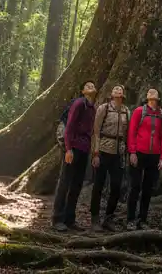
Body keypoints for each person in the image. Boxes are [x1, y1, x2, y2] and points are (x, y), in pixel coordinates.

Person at [53, 80, 98, 231]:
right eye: (87, 86)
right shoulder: (79, 103)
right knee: (65, 182)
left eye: (93, 86)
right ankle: (57, 219)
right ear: (83, 91)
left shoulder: (92, 108)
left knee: (77, 184)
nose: (91, 87)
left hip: (84, 149)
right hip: (72, 148)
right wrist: (68, 149)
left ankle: (70, 219)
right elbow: (69, 126)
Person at [126, 87, 162, 230]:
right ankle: (130, 219)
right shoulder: (139, 111)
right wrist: (132, 152)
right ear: (146, 97)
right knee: (135, 186)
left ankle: (142, 219)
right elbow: (132, 131)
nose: (151, 93)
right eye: (149, 92)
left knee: (148, 189)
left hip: (154, 156)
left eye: (154, 92)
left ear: (158, 97)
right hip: (139, 153)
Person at [90, 84, 130, 231]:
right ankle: (94, 218)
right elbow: (96, 131)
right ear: (111, 94)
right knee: (98, 185)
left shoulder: (126, 111)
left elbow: (127, 133)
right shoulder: (104, 108)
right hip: (103, 150)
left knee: (116, 186)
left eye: (120, 89)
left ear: (123, 94)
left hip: (118, 153)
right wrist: (95, 153)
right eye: (115, 89)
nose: (118, 91)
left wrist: (126, 151)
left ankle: (108, 218)